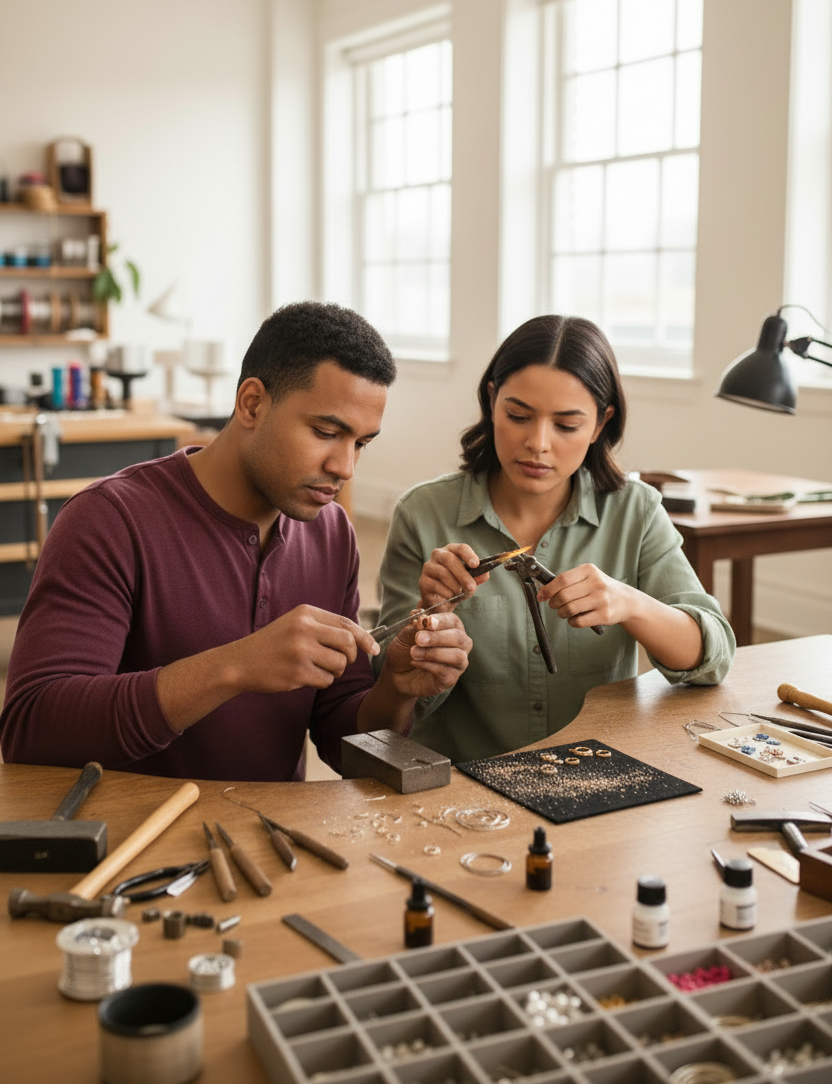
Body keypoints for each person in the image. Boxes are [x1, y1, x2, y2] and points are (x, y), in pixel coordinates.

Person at [0, 302, 471, 780]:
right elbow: (32, 731)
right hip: (136, 843)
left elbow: (341, 743)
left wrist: (395, 687)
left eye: (361, 444)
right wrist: (235, 665)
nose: (345, 468)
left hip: (273, 842)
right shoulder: (109, 520)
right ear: (252, 403)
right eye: (326, 432)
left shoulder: (331, 533)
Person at [373, 314, 736, 764]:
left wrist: (631, 603)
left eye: (566, 425)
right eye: (518, 416)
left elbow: (713, 657)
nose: (538, 443)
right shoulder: (423, 514)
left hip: (597, 774)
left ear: (601, 423)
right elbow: (386, 700)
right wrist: (430, 622)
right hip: (464, 786)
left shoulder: (636, 511)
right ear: (491, 401)